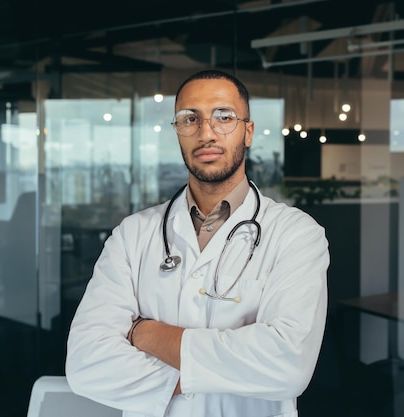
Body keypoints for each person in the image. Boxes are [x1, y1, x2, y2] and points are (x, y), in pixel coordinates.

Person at [65, 69, 330, 417]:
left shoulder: (296, 234)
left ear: (247, 131)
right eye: (190, 118)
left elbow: (288, 365)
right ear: (177, 131)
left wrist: (146, 334)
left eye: (224, 117)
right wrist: (233, 368)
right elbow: (87, 365)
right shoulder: (133, 234)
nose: (206, 132)